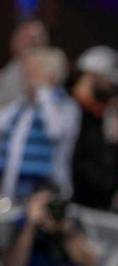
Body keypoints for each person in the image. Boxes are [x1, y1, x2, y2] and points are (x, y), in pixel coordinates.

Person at [0, 46, 79, 200]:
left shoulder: (66, 107)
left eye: (33, 73)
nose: (26, 79)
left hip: (45, 190)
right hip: (11, 189)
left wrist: (44, 92)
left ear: (51, 75)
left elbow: (56, 131)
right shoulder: (21, 107)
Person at [70, 46, 118, 209]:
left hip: (100, 203)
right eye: (109, 79)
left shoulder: (103, 114)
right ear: (92, 76)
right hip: (77, 202)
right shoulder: (69, 111)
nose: (113, 86)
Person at [0, 20, 48, 108]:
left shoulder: (50, 72)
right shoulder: (5, 75)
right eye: (25, 37)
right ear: (14, 42)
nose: (30, 42)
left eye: (36, 38)